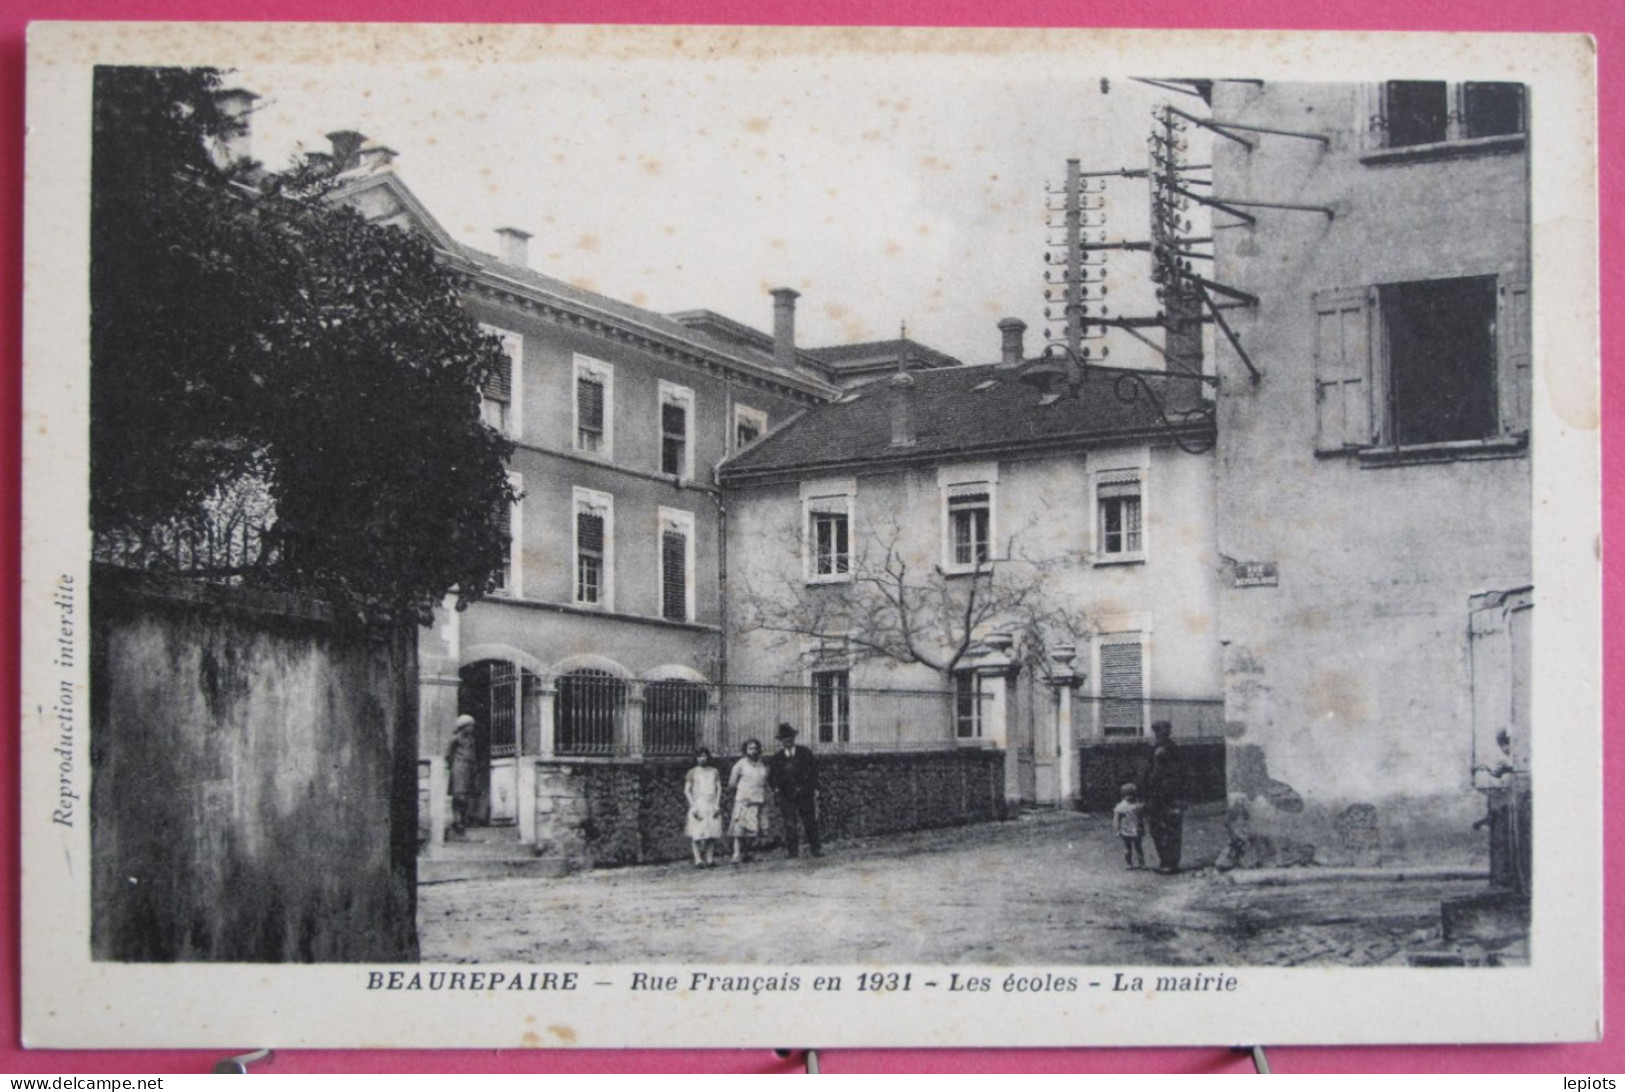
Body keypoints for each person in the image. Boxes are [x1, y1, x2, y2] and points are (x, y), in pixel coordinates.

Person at [768, 722, 822, 858]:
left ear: (794, 738)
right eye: (784, 738)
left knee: (810, 822)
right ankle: (793, 852)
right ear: (781, 741)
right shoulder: (777, 758)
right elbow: (773, 777)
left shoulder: (805, 753)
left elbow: (814, 772)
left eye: (790, 737)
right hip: (787, 796)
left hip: (805, 794)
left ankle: (816, 849)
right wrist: (776, 790)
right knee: (790, 824)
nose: (788, 740)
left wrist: (813, 788)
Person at [1142, 720, 1184, 873]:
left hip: (1169, 796)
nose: (1163, 733)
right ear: (1155, 732)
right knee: (1157, 829)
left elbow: (1179, 775)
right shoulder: (1154, 749)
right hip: (1156, 796)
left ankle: (1170, 863)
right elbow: (1147, 774)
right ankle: (1165, 861)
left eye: (1166, 730)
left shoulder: (1171, 750)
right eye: (1159, 730)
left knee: (1170, 829)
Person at [727, 738, 770, 863]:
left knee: (754, 828)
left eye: (756, 748)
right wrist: (742, 794)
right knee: (739, 828)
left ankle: (749, 853)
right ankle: (736, 854)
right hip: (744, 800)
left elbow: (764, 781)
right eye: (750, 748)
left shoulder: (762, 765)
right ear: (745, 750)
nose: (753, 751)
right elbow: (732, 783)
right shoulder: (740, 764)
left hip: (759, 799)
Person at [684, 747, 723, 868]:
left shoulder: (714, 771)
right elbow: (687, 791)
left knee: (711, 833)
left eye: (704, 756)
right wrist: (693, 806)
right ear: (695, 758)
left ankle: (710, 859)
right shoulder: (692, 772)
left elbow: (719, 789)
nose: (702, 758)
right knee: (697, 833)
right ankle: (698, 860)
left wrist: (717, 804)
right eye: (699, 756)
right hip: (698, 804)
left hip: (711, 805)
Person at [445, 714, 478, 838]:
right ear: (464, 727)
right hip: (459, 769)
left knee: (466, 797)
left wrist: (473, 767)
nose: (472, 729)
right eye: (470, 726)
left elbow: (473, 754)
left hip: (469, 769)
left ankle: (461, 822)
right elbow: (448, 754)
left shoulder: (471, 740)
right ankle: (457, 821)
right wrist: (454, 765)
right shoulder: (455, 739)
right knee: (459, 796)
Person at [1112, 782, 1146, 869]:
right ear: (1123, 796)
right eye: (1127, 795)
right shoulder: (1121, 806)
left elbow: (1140, 818)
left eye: (1132, 795)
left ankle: (1141, 863)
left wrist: (1142, 827)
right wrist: (1117, 829)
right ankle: (1129, 863)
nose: (1130, 797)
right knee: (1127, 848)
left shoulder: (1137, 806)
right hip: (1126, 830)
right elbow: (1116, 819)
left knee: (1138, 847)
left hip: (1136, 829)